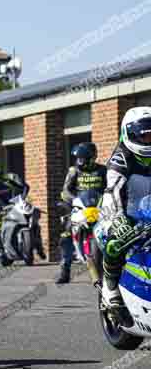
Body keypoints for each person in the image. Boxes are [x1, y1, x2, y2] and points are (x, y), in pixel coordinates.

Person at [100, 108, 151, 308]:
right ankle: (110, 286)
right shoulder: (121, 157)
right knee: (116, 242)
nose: (148, 139)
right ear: (129, 134)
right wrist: (119, 219)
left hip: (149, 205)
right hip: (125, 208)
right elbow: (113, 190)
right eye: (144, 135)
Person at [56, 142, 106, 284]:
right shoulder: (73, 171)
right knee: (66, 234)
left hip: (100, 207)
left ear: (92, 157)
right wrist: (72, 200)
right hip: (79, 206)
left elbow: (111, 187)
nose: (80, 162)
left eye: (83, 158)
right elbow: (66, 190)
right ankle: (65, 269)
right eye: (78, 159)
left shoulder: (103, 170)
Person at [0, 161, 30, 268]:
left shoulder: (11, 177)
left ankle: (34, 244)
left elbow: (25, 187)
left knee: (30, 217)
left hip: (15, 205)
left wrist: (22, 198)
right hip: (1, 208)